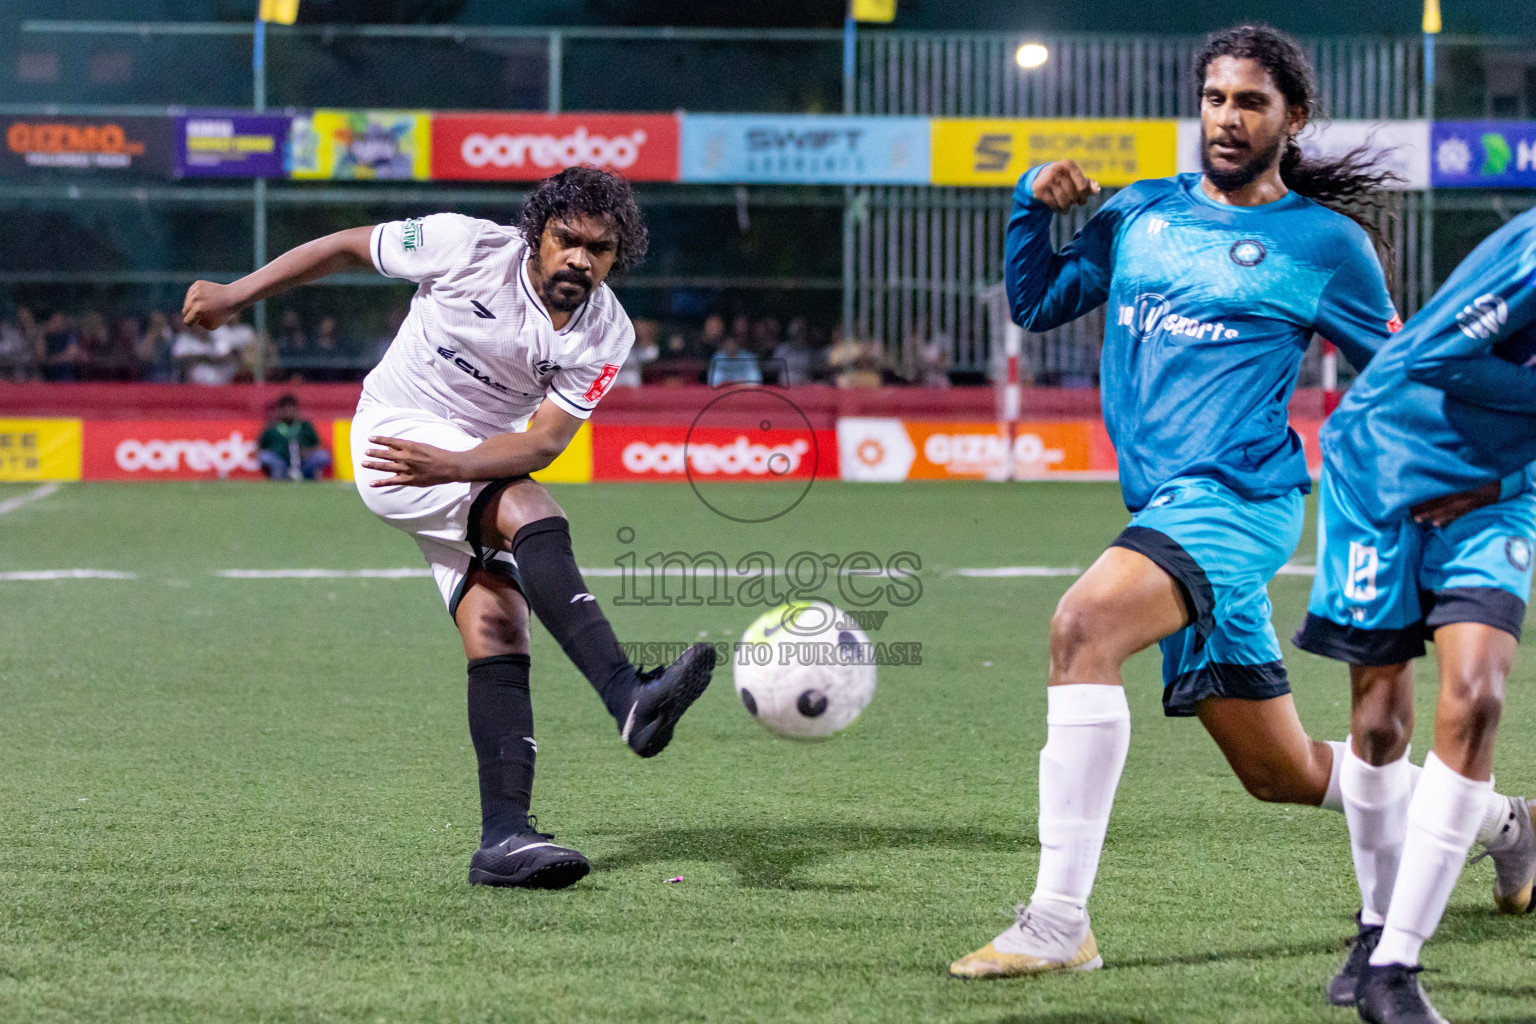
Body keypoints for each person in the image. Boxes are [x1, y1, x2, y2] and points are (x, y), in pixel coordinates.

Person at [947, 25, 1533, 981]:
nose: (1227, 117)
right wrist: (1028, 207)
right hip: (1169, 510)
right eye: (1216, 97)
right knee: (1281, 772)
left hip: (1239, 501)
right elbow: (1040, 301)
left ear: (1291, 118)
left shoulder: (1324, 245)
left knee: (1082, 626)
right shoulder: (1138, 213)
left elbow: (1405, 371)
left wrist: (1472, 471)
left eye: (1251, 101)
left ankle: (1058, 922)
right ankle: (1510, 826)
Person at [181, 167, 716, 891]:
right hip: (394, 443)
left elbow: (542, 444)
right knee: (531, 509)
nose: (580, 260)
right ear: (537, 234)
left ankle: (504, 840)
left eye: (600, 248)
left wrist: (457, 463)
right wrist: (235, 295)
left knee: (497, 625)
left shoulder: (606, 329)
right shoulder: (461, 247)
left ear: (618, 256)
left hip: (464, 457)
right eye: (567, 240)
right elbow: (344, 247)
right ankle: (627, 696)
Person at [1293, 209, 1536, 1023]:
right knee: (1378, 726)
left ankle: (1394, 969)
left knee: (1476, 699)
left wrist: (1505, 479)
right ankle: (1373, 926)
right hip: (1384, 468)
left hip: (1494, 495)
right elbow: (1432, 353)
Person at [257, 394, 332, 480]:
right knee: (264, 456)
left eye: (290, 407)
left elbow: (318, 445)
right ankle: (279, 478)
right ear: (279, 410)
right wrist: (279, 453)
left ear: (296, 409)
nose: (288, 411)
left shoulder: (305, 426)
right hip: (282, 464)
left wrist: (306, 452)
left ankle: (309, 477)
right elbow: (261, 449)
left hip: (303, 463)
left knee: (322, 455)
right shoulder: (272, 428)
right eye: (284, 408)